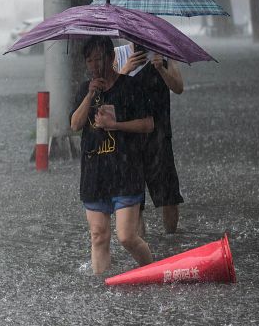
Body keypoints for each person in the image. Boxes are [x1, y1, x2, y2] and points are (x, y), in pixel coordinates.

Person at [70, 36, 155, 275]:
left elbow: (148, 124)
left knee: (127, 236)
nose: (95, 65)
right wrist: (89, 96)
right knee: (98, 235)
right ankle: (102, 291)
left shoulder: (131, 87)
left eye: (99, 59)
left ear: (112, 57)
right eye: (89, 61)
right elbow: (75, 124)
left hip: (126, 171)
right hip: (95, 173)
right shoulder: (85, 90)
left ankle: (154, 273)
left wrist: (117, 125)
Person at [118, 44, 184, 234]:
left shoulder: (165, 52)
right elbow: (110, 95)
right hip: (129, 139)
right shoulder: (118, 54)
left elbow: (178, 87)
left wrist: (161, 69)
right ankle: (143, 250)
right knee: (135, 203)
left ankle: (171, 242)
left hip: (160, 136)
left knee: (169, 197)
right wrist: (125, 70)